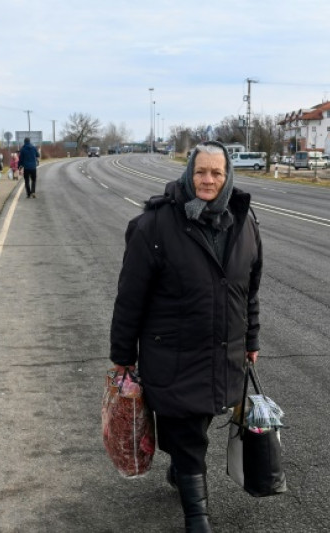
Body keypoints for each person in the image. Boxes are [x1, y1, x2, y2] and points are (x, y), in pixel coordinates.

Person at [109, 141, 262, 533]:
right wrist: (122, 355)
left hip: (222, 351)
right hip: (173, 352)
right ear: (187, 173)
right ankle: (198, 518)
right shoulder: (154, 226)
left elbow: (250, 287)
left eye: (216, 173)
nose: (207, 180)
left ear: (227, 177)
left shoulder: (244, 222)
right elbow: (130, 298)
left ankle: (179, 466)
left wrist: (251, 338)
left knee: (199, 421)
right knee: (190, 433)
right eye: (200, 172)